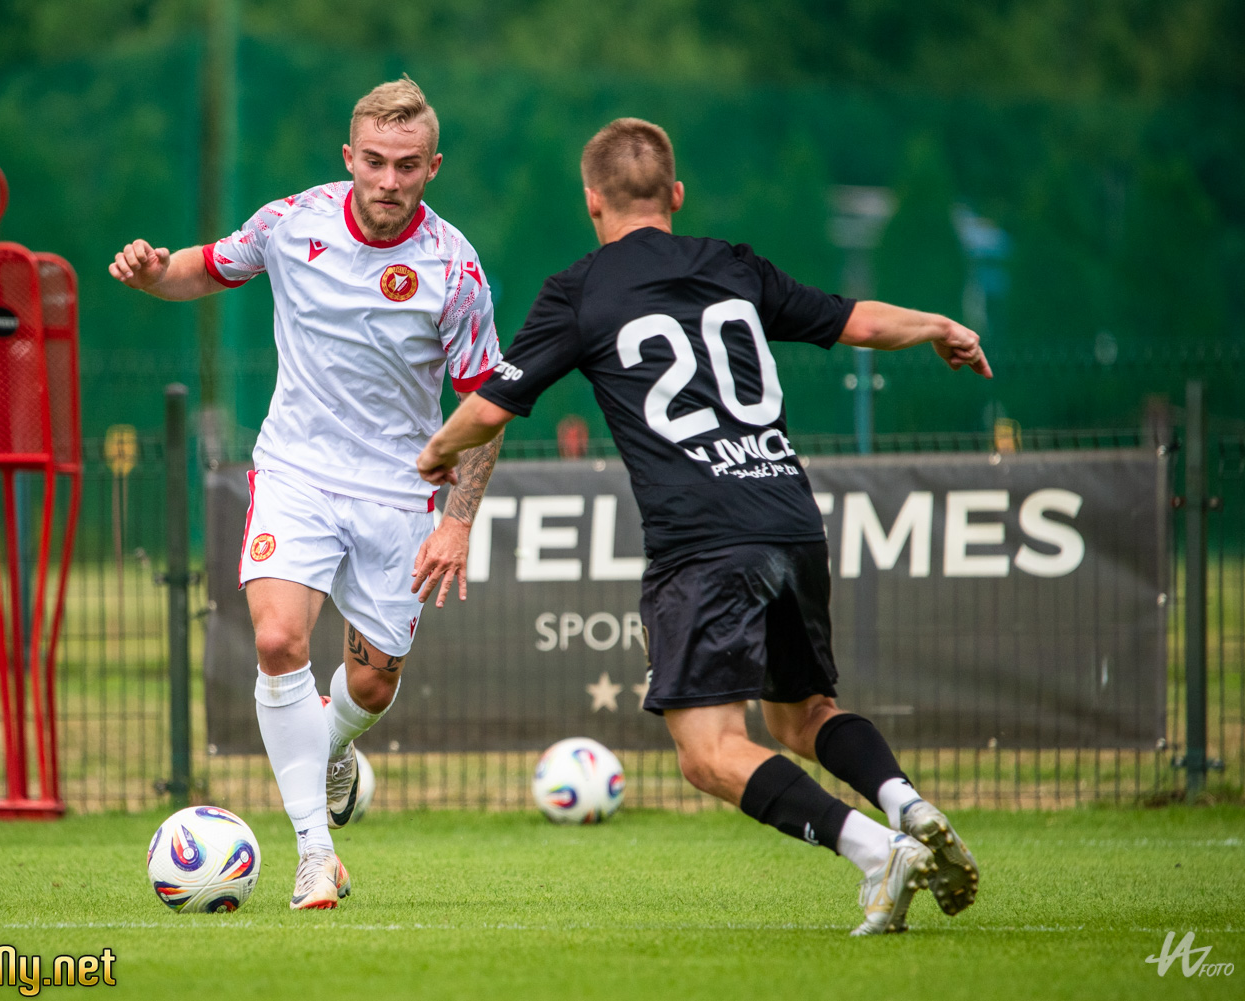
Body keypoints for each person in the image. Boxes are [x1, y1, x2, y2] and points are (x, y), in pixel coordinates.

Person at [417, 118, 987, 935]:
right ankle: (907, 802)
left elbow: (491, 406)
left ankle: (878, 848)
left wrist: (434, 450)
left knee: (709, 752)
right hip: (790, 519)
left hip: (703, 540)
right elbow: (855, 320)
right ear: (675, 195)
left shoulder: (579, 289)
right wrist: (938, 325)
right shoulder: (733, 265)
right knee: (803, 716)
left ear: (592, 202)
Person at [110, 77, 503, 910]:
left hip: (402, 495)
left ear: (433, 166)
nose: (388, 181)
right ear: (348, 158)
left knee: (371, 685)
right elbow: (204, 269)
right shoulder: (294, 223)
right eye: (373, 162)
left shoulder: (454, 268)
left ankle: (330, 750)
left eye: (407, 166)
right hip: (297, 471)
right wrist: (152, 274)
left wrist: (457, 522)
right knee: (280, 639)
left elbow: (485, 410)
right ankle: (315, 854)